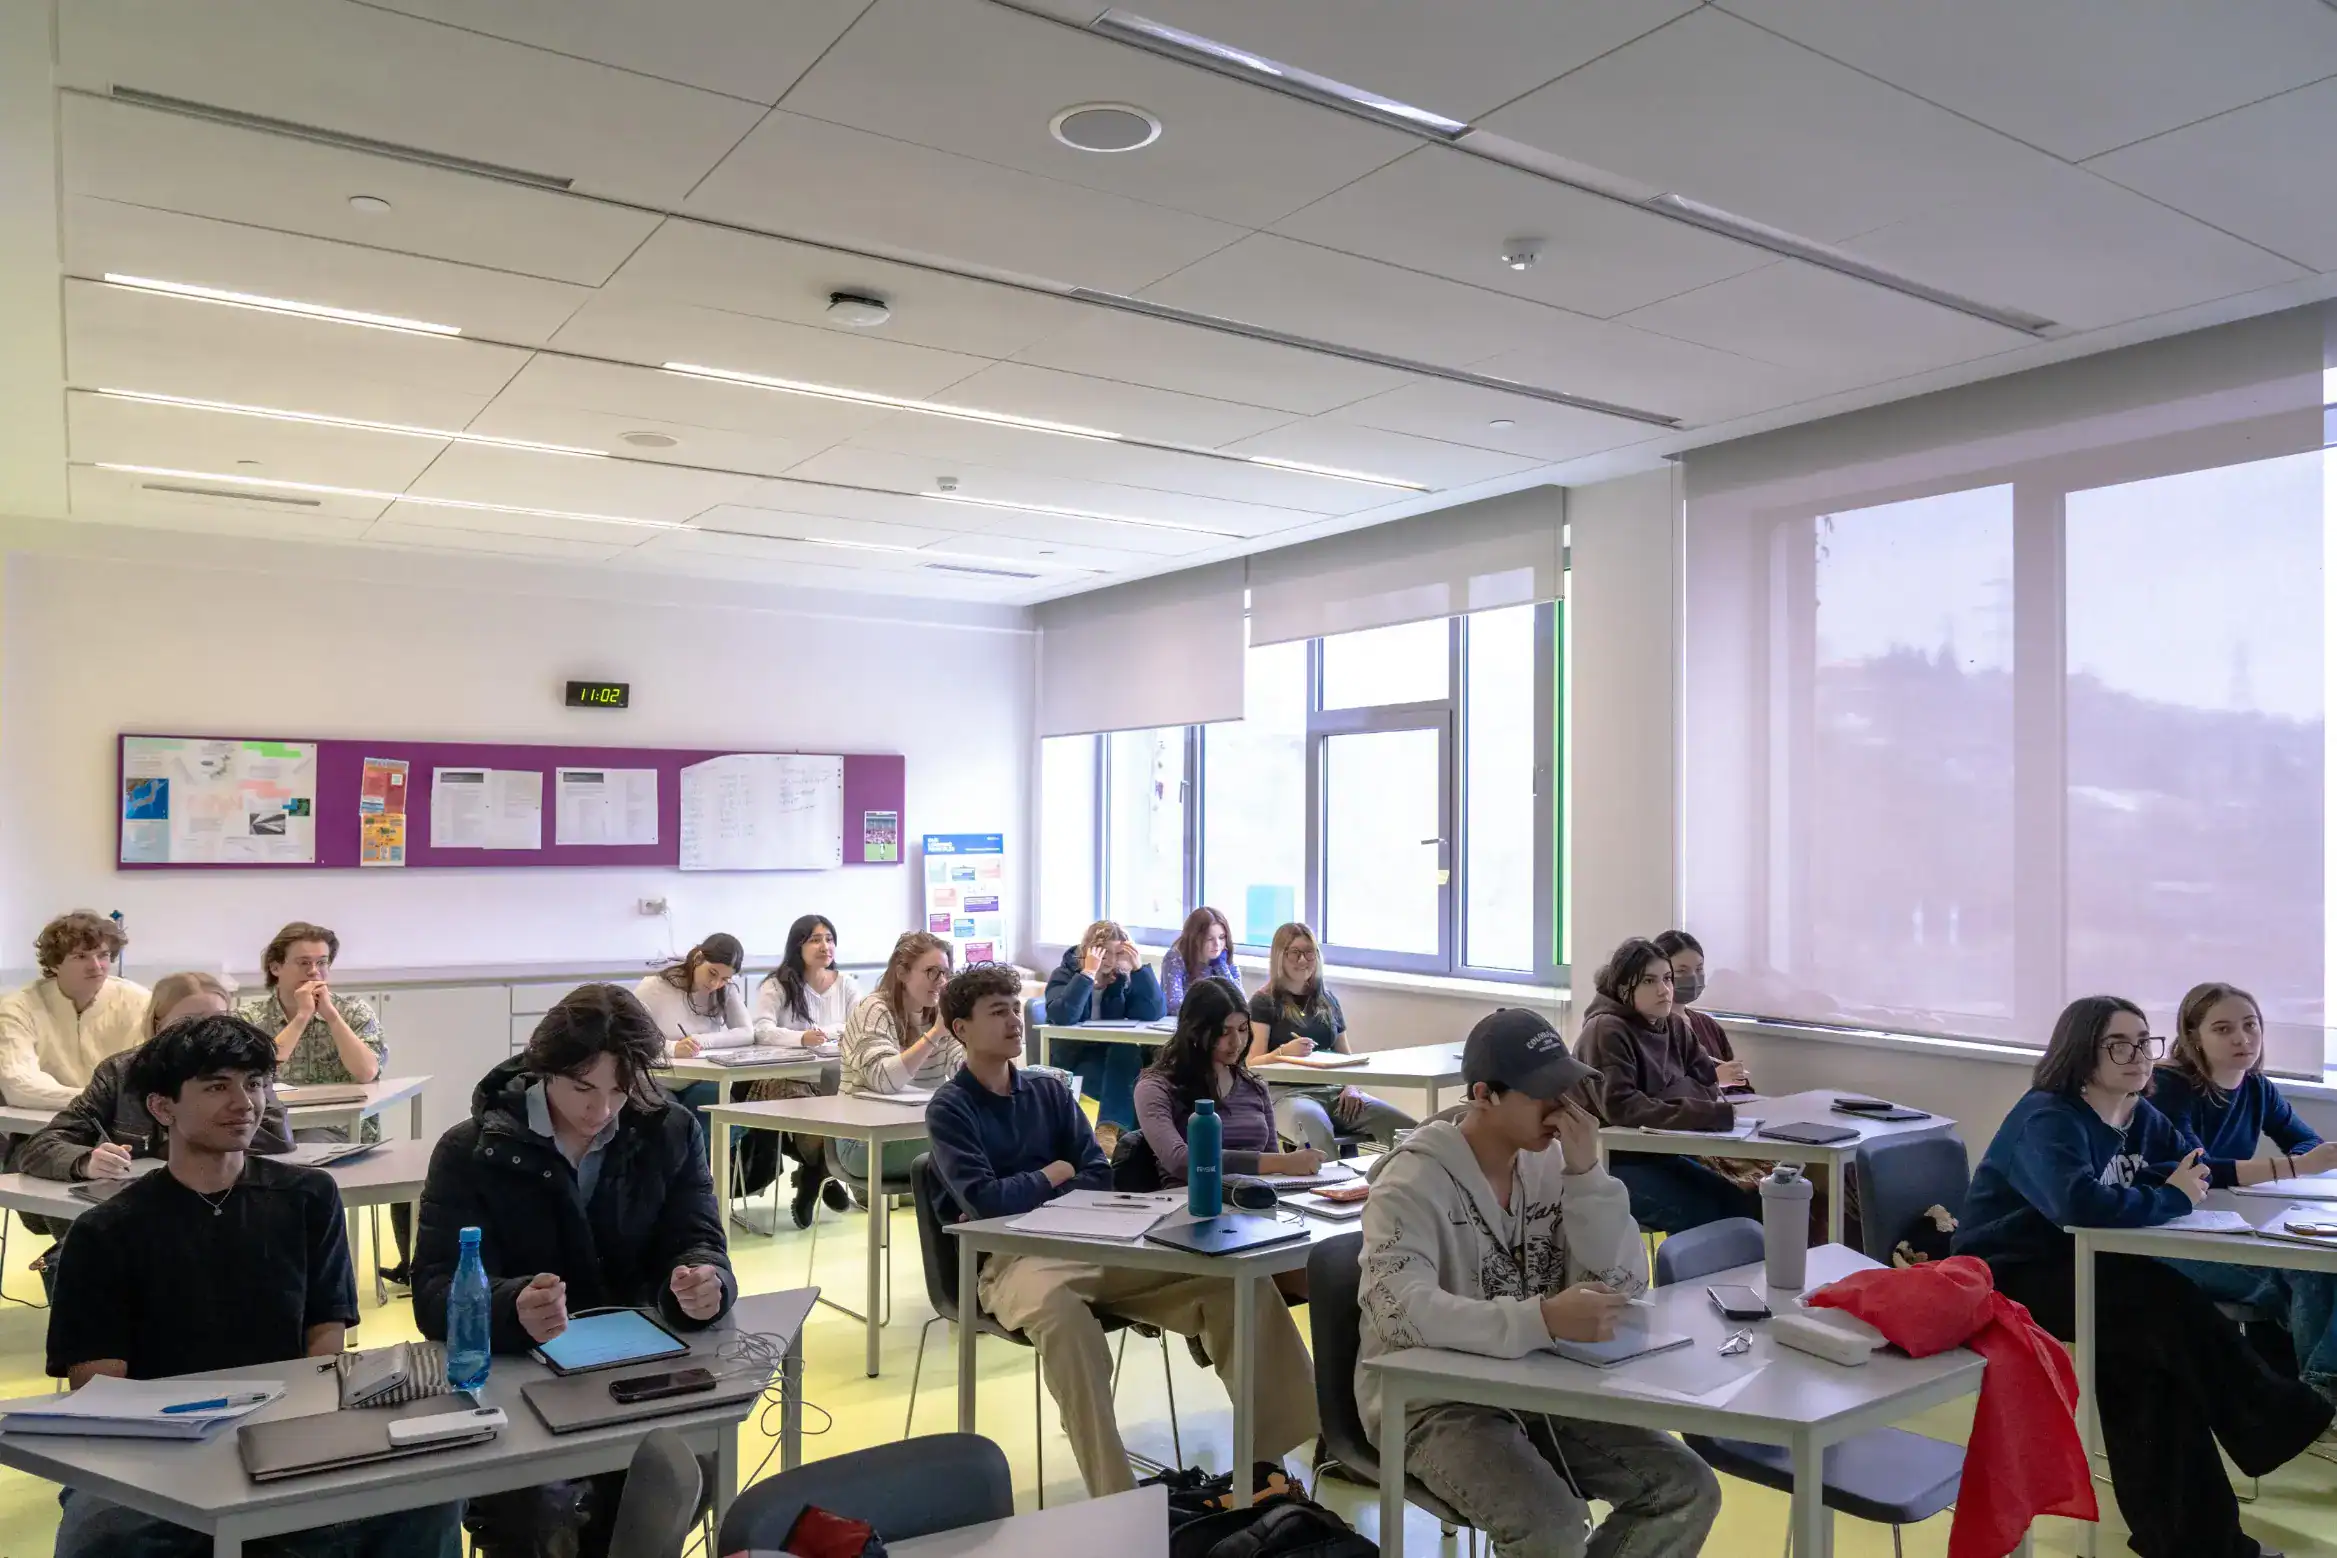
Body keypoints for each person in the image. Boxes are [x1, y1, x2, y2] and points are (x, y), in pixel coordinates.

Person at [45, 1014, 461, 1558]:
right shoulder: (107, 1230)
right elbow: (100, 1391)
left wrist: (300, 1431)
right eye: (218, 1086)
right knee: (102, 1536)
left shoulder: (308, 1197)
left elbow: (324, 1341)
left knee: (427, 1499)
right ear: (162, 1107)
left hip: (288, 1425)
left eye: (256, 1084)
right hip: (159, 1447)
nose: (245, 1102)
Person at [1953, 995, 2331, 1558]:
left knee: (2151, 1368)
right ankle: (2271, 1418)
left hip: (2087, 1262)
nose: (2139, 1056)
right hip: (2011, 1271)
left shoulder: (2136, 1109)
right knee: (2162, 1301)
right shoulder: (2049, 1116)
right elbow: (2076, 1204)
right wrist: (2169, 1197)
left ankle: (2198, 1544)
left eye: (2143, 1041)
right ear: (2082, 1053)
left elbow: (2193, 1164)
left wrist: (2176, 1185)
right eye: (2120, 1044)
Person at [926, 962, 1319, 1497]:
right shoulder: (950, 1108)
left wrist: (1051, 1181)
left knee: (1233, 1286)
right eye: (998, 1012)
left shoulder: (1048, 1092)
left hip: (1090, 1239)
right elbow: (985, 1200)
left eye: (1016, 1008)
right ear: (961, 1028)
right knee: (1069, 1326)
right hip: (1010, 1259)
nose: (1015, 1021)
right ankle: (1116, 1498)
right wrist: (1053, 1173)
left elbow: (1096, 1174)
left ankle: (1267, 1466)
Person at [1357, 1008, 1720, 1558]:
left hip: (1539, 1387)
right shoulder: (1412, 1181)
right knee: (1549, 1526)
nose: (1563, 1107)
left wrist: (1587, 1178)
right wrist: (1542, 1320)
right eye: (1543, 1092)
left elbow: (1623, 1284)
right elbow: (1399, 1311)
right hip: (1434, 1405)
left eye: (1566, 1088)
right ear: (1484, 1094)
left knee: (1685, 1488)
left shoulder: (1552, 1164)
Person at [413, 983, 733, 1558]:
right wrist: (511, 1306)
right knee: (535, 1506)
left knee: (689, 1471)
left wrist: (701, 1281)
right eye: (583, 1087)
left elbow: (698, 1238)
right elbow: (435, 1294)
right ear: (544, 1070)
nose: (601, 1109)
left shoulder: (668, 1129)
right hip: (519, 1384)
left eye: (620, 1088)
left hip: (637, 1372)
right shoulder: (472, 1151)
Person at [2152, 981, 2337, 1412]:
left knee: (2320, 1265)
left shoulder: (2257, 1088)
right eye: (2223, 1029)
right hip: (2169, 1236)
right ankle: (2317, 1400)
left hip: (2229, 1227)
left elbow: (2306, 1144)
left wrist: (2307, 1161)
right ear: (2193, 1035)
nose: (2242, 1038)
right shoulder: (2168, 1085)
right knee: (2308, 1272)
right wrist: (2293, 1167)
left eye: (2251, 1025)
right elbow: (2199, 1166)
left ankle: (2302, 1400)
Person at [15, 972, 293, 1183]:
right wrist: (86, 1162)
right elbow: (40, 1147)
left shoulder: (246, 1068)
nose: (209, 1035)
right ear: (158, 1024)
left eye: (219, 1019)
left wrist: (178, 1147)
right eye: (190, 1022)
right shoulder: (119, 1072)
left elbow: (278, 1137)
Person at [239, 920, 401, 1279]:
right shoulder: (250, 1017)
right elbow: (256, 1071)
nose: (314, 971)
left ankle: (311, 1272)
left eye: (322, 962)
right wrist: (300, 1018)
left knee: (298, 1159)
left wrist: (330, 1015)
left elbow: (366, 1072)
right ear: (276, 967)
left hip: (341, 1131)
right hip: (266, 1132)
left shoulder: (354, 1011)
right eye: (303, 962)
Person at [1574, 936, 1759, 1234]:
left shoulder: (1672, 1025)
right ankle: (1690, 1280)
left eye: (1667, 979)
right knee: (1710, 1216)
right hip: (1611, 1163)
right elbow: (1623, 1108)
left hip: (1661, 1153)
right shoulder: (1606, 1029)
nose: (1664, 990)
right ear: (1624, 987)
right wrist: (1689, 1100)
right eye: (1649, 981)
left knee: (1742, 1203)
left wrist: (1659, 1097)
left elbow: (1709, 1085)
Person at [1133, 976, 1323, 1185]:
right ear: (1195, 1031)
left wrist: (1286, 1166)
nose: (1237, 1042)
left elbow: (1272, 1167)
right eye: (1224, 1032)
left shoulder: (1255, 1087)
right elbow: (1181, 1161)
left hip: (1251, 1201)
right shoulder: (1156, 1087)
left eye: (1243, 1029)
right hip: (1188, 1203)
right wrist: (1283, 1163)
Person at [1247, 922, 1412, 1157]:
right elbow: (1252, 1062)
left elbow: (1346, 1055)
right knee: (1315, 1127)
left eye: (1309, 952)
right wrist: (1283, 1052)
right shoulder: (1264, 1001)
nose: (1303, 960)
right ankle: (1332, 1188)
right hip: (1288, 1094)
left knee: (1409, 1129)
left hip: (1335, 1091)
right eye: (1295, 953)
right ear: (1280, 956)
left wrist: (1351, 1087)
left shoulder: (1327, 1000)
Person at [753, 914, 861, 1226]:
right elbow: (761, 1030)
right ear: (797, 945)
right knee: (818, 1133)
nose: (824, 946)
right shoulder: (778, 984)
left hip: (836, 1076)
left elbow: (859, 1026)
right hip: (785, 1077)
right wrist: (800, 1038)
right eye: (815, 939)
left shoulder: (847, 984)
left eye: (829, 939)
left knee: (850, 1122)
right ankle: (820, 1177)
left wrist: (825, 1032)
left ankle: (813, 1176)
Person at [838, 931, 960, 1183]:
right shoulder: (873, 1009)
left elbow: (962, 1068)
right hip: (863, 1140)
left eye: (945, 973)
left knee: (984, 1140)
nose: (941, 981)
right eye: (932, 972)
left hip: (918, 1130)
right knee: (971, 1146)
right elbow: (886, 1080)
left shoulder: (940, 1012)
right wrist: (936, 1033)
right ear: (902, 973)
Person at [0, 910, 150, 1110]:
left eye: (103, 955)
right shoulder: (19, 1006)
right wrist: (102, 1099)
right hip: (41, 1128)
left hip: (120, 1125)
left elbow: (147, 1079)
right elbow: (18, 1085)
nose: (96, 966)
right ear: (54, 964)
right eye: (81, 957)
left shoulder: (138, 1001)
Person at [1044, 919, 1164, 1152]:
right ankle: (1114, 1131)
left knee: (1135, 1059)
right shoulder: (1065, 974)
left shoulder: (1120, 978)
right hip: (1079, 1060)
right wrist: (1088, 973)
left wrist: (1139, 970)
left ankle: (1118, 1133)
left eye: (1118, 953)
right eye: (1104, 953)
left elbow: (1152, 1012)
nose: (1110, 960)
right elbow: (1062, 1015)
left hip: (1117, 1060)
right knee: (1135, 1079)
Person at [631, 933, 752, 1151]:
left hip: (698, 1079)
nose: (715, 984)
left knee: (727, 1118)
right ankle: (690, 1177)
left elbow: (746, 1033)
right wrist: (673, 1048)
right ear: (697, 958)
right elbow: (634, 1037)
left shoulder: (726, 990)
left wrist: (700, 1041)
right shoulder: (654, 987)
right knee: (672, 1128)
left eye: (725, 979)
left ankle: (702, 1178)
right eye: (712, 973)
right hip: (656, 1079)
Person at [1653, 929, 1750, 1085]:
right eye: (1681, 971)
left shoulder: (1709, 1026)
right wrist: (1713, 1081)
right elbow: (1660, 1092)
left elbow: (1741, 1087)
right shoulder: (1648, 1029)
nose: (1693, 977)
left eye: (1699, 969)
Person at [1160, 906, 1240, 1014]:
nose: (1217, 944)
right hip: (1187, 1026)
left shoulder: (1225, 961)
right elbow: (1174, 1005)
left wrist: (1221, 966)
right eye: (1209, 938)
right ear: (1194, 938)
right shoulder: (1175, 958)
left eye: (1221, 937)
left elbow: (1240, 1003)